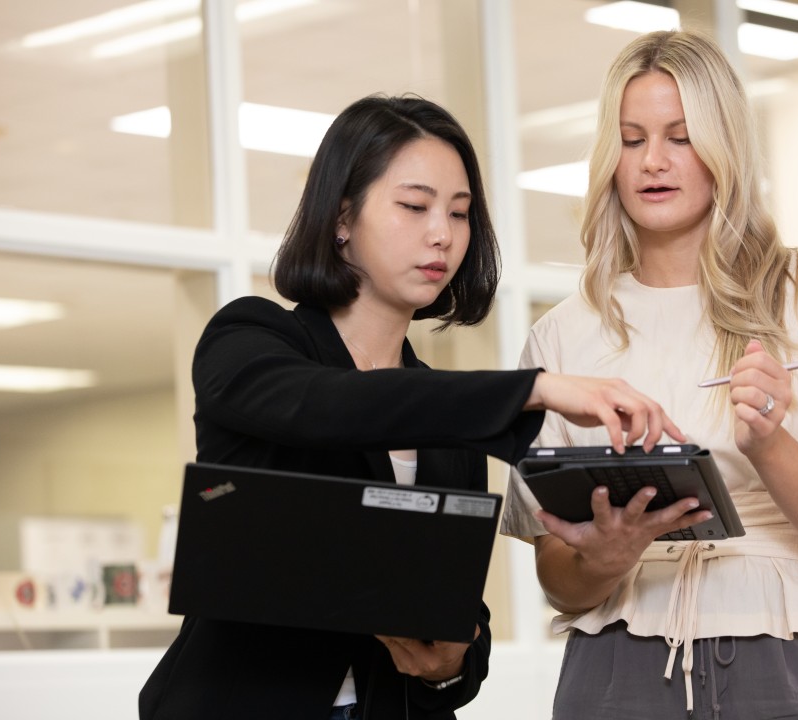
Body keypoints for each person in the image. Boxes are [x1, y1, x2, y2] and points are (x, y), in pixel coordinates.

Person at [138, 94, 684, 720]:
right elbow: (327, 406)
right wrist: (530, 388)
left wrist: (450, 665)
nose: (442, 234)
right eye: (414, 206)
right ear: (342, 217)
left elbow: (459, 617)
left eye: (459, 213)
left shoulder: (450, 420)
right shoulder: (250, 339)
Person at [500, 30, 798, 719]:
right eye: (631, 137)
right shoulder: (564, 332)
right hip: (618, 668)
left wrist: (771, 443)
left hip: (789, 661)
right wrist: (606, 556)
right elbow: (557, 578)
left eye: (681, 136)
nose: (653, 161)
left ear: (725, 146)